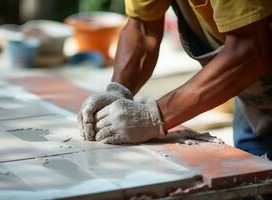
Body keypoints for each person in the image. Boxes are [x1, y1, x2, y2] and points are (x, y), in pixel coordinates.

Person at [78, 0, 272, 157]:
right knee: (254, 171)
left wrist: (153, 116)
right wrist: (119, 89)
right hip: (252, 89)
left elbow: (250, 50)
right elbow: (142, 27)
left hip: (251, 64)